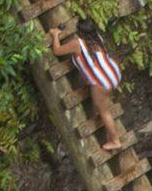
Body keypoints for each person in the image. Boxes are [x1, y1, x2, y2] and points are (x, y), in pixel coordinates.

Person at [46, 23, 128, 153]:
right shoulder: (98, 38)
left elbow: (57, 50)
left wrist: (55, 35)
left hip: (102, 81)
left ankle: (115, 140)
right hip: (113, 73)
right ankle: (104, 108)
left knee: (103, 110)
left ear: (80, 32)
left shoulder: (78, 44)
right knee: (102, 102)